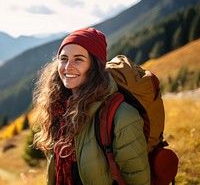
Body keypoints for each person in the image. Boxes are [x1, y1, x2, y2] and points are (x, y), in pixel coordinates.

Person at [32, 27, 150, 185]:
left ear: (94, 66)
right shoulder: (59, 109)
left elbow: (138, 178)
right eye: (64, 58)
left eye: (78, 59)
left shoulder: (121, 115)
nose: (67, 67)